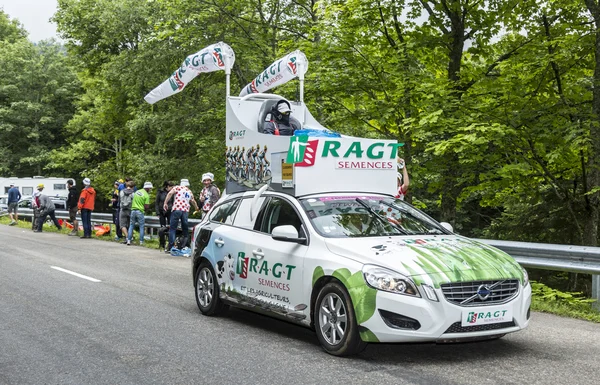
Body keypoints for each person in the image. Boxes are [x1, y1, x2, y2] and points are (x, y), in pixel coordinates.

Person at [164, 178, 199, 253]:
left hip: (177, 209)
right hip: (185, 210)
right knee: (185, 229)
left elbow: (170, 193)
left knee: (173, 229)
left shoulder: (177, 187)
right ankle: (184, 246)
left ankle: (171, 247)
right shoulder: (189, 191)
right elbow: (193, 201)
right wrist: (196, 208)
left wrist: (165, 203)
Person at [127, 181, 152, 246]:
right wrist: (146, 209)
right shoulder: (146, 195)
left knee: (131, 225)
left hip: (133, 210)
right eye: (150, 188)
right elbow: (146, 206)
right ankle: (141, 241)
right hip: (140, 211)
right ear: (147, 188)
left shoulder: (137, 192)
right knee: (141, 226)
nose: (150, 189)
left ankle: (129, 240)